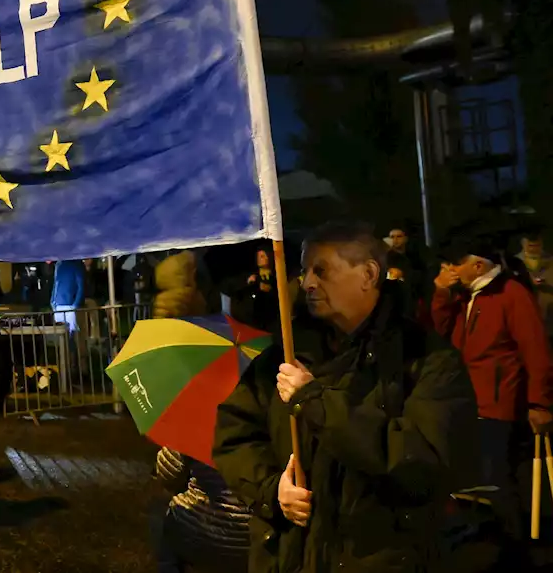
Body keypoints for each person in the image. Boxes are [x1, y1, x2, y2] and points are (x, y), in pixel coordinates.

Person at [213, 221, 476, 573]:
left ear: (367, 274)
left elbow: (422, 460)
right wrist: (273, 490)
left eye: (321, 271)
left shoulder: (427, 359)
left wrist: (317, 403)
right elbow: (236, 435)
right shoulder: (285, 355)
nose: (306, 282)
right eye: (304, 270)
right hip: (290, 558)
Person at [430, 230, 553, 546]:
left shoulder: (511, 294)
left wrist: (540, 403)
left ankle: (516, 541)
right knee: (483, 477)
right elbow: (439, 335)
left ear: (479, 266)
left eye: (458, 263)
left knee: (498, 477)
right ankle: (504, 534)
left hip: (499, 404)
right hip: (470, 401)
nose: (452, 269)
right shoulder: (465, 297)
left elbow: (536, 350)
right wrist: (442, 295)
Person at [151, 269, 248, 572]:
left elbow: (170, 476)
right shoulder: (267, 406)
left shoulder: (198, 406)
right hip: (258, 535)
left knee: (161, 523)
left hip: (203, 532)